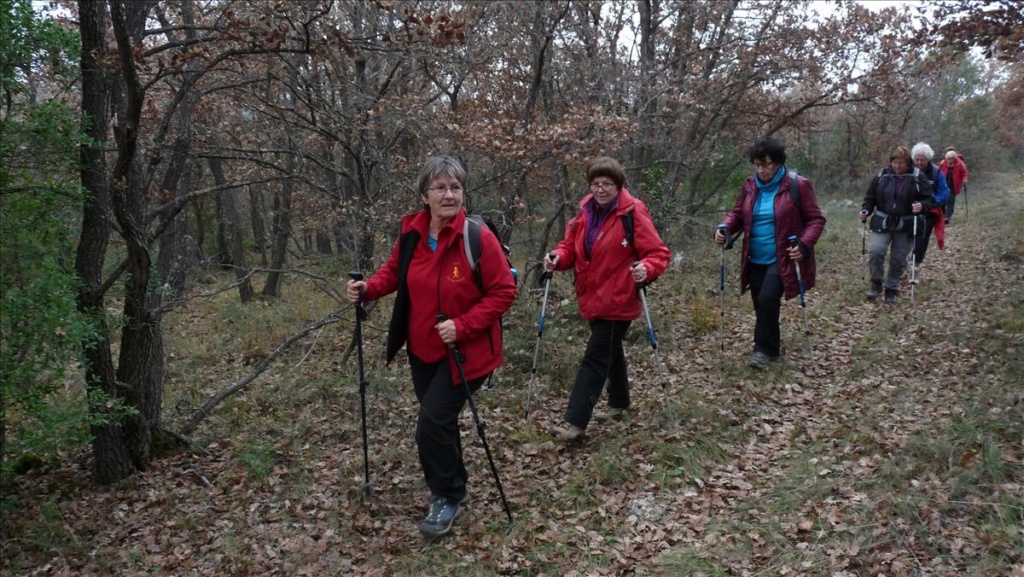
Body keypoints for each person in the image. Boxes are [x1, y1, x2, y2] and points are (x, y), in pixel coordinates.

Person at [346, 156, 516, 539]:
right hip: (423, 349)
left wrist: (463, 325)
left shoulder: (477, 237)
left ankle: (447, 495)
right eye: (440, 187)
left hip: (468, 351)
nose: (449, 194)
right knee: (440, 422)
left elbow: (504, 291)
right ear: (424, 194)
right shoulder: (412, 233)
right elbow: (394, 272)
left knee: (430, 425)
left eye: (455, 187)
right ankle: (457, 483)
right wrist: (368, 289)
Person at [544, 156, 670, 442]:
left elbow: (658, 253)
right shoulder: (585, 212)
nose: (601, 190)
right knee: (610, 352)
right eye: (596, 184)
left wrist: (645, 268)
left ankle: (574, 422)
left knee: (595, 357)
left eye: (607, 184)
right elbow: (569, 248)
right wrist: (557, 257)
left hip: (619, 299)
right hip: (592, 297)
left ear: (619, 185)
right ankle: (620, 403)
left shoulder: (632, 212)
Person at [713, 136, 826, 369]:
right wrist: (723, 227)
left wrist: (804, 245)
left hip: (782, 256)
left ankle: (762, 350)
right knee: (761, 303)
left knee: (767, 298)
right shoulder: (749, 186)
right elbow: (737, 215)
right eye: (757, 165)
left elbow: (816, 219)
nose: (762, 170)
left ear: (778, 162)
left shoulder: (797, 185)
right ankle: (771, 347)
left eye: (766, 164)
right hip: (754, 256)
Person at [859, 145, 936, 304]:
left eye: (901, 163)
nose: (897, 166)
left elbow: (930, 199)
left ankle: (892, 289)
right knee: (876, 251)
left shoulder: (917, 176)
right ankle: (876, 284)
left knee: (898, 257)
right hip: (882, 220)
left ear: (908, 163)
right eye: (895, 162)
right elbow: (870, 197)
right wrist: (866, 210)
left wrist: (922, 206)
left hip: (906, 223)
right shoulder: (882, 175)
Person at [910, 142, 950, 276]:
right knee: (906, 237)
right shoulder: (908, 171)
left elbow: (944, 192)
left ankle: (915, 266)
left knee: (922, 238)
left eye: (922, 160)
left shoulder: (936, 172)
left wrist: (932, 202)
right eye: (917, 159)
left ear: (928, 159)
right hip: (909, 210)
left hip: (929, 212)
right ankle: (905, 261)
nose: (919, 162)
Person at [938, 148, 969, 224]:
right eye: (948, 159)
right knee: (943, 200)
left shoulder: (960, 164)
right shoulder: (943, 163)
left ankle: (947, 217)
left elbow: (964, 173)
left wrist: (964, 179)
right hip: (943, 184)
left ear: (954, 158)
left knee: (950, 200)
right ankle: (942, 215)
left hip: (953, 184)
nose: (949, 160)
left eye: (951, 159)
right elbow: (937, 172)